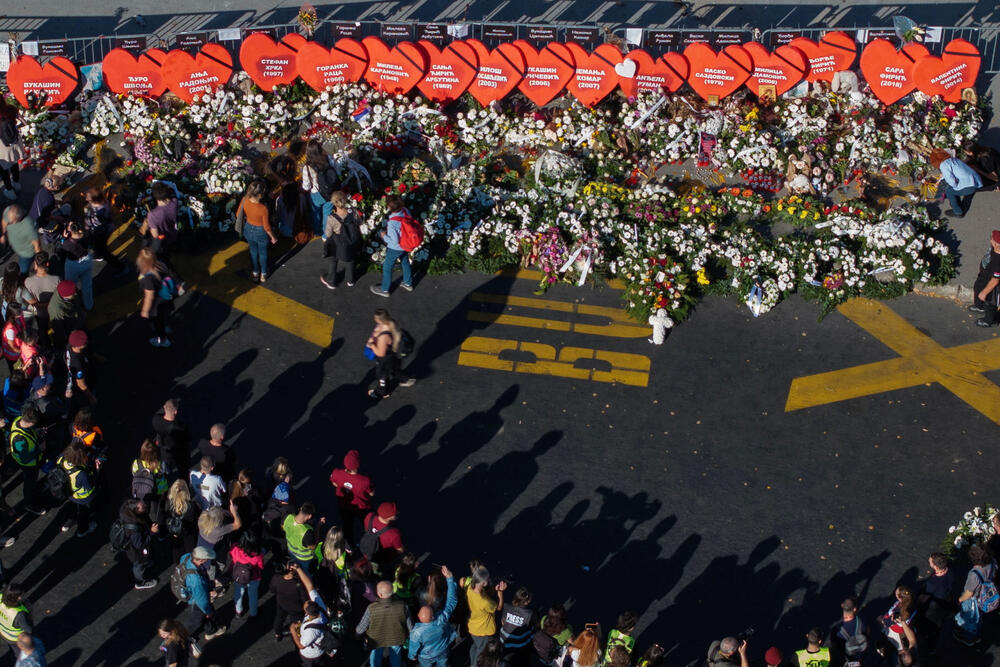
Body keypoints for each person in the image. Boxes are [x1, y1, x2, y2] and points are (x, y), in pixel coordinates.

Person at [408, 564, 457, 667]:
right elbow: (451, 601)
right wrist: (450, 579)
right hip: (442, 649)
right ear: (433, 616)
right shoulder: (441, 619)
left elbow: (413, 645)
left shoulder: (416, 632)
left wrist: (412, 655)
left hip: (426, 655)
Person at [356, 579, 413, 667]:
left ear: (380, 594)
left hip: (376, 640)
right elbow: (410, 625)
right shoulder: (403, 606)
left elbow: (362, 626)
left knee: (375, 658)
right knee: (396, 659)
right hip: (396, 638)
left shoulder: (371, 608)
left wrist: (357, 633)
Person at [177, 546, 227, 643]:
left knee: (202, 617)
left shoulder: (187, 556)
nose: (207, 560)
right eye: (206, 559)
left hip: (189, 593)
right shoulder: (196, 580)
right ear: (200, 560)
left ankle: (211, 630)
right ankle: (180, 638)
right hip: (195, 600)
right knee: (195, 621)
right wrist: (208, 612)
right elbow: (202, 600)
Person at [290, 564, 337, 666]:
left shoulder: (311, 631)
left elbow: (301, 645)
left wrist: (293, 631)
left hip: (311, 655)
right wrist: (298, 569)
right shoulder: (320, 606)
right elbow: (309, 586)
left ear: (307, 613)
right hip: (319, 649)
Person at [370, 194, 414, 297]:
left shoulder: (393, 223)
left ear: (389, 207)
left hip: (395, 248)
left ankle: (385, 289)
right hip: (406, 244)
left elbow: (394, 241)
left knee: (387, 267)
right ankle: (408, 283)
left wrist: (384, 236)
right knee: (405, 262)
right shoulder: (405, 211)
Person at [365, 309, 414, 400]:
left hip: (385, 359)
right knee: (393, 369)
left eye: (376, 318)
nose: (374, 319)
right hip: (393, 355)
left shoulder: (384, 337)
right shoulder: (392, 323)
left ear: (380, 320)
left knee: (382, 375)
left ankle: (382, 392)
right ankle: (405, 380)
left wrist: (371, 345)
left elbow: (380, 353)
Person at [236, 178, 277, 283]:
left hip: (248, 229)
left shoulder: (244, 200)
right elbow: (267, 227)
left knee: (253, 252)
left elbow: (238, 214)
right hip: (261, 232)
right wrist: (273, 237)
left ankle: (255, 272)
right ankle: (263, 274)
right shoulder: (263, 208)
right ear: (259, 194)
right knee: (263, 253)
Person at [953, 543, 996, 645]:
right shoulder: (993, 562)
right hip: (984, 595)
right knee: (978, 617)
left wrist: (960, 599)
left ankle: (970, 638)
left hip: (974, 600)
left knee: (970, 620)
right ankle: (976, 634)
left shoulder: (974, 574)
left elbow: (969, 593)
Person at [8, 404, 46, 516]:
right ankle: (29, 504)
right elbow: (25, 459)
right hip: (28, 465)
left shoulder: (19, 419)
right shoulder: (19, 439)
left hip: (29, 461)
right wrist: (39, 450)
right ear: (30, 423)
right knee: (29, 484)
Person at [329, 449, 373, 545]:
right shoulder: (365, 481)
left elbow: (334, 483)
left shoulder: (336, 472)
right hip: (361, 507)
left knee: (347, 524)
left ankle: (349, 544)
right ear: (357, 465)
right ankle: (370, 542)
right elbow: (371, 493)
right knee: (367, 524)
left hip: (344, 505)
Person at [321, 190, 362, 290]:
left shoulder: (331, 218)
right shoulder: (353, 212)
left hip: (337, 242)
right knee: (351, 259)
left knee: (333, 259)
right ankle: (350, 280)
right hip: (351, 240)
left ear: (333, 203)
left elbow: (328, 234)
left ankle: (331, 280)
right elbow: (359, 223)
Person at [136, 247, 176, 348]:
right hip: (165, 298)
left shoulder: (148, 278)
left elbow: (149, 297)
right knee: (162, 316)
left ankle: (163, 340)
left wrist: (145, 311)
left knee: (157, 322)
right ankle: (164, 327)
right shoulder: (160, 265)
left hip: (156, 304)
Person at [466, 565, 507, 666]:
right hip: (483, 631)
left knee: (475, 646)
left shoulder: (470, 589)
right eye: (487, 579)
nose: (489, 580)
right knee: (481, 651)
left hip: (473, 626)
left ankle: (472, 662)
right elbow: (499, 607)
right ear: (483, 583)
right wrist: (500, 593)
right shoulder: (485, 602)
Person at [56, 440, 97, 536]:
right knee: (83, 514)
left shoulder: (61, 458)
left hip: (69, 493)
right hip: (82, 498)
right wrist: (96, 470)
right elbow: (89, 486)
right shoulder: (81, 474)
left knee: (73, 508)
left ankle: (69, 522)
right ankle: (82, 530)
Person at [83, 187, 127, 275]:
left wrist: (87, 223)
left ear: (94, 200)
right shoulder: (104, 202)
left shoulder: (99, 213)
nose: (86, 199)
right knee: (98, 247)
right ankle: (98, 254)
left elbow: (93, 223)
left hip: (101, 232)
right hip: (107, 228)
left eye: (88, 198)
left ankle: (120, 267)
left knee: (104, 252)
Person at [930, 148, 982, 218]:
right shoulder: (953, 160)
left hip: (968, 185)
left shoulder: (943, 165)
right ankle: (962, 207)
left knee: (949, 191)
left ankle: (958, 212)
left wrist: (954, 186)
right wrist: (939, 180)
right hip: (975, 180)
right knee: (968, 196)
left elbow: (951, 181)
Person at [119, 497, 158, 589]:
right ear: (136, 510)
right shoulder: (133, 529)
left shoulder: (127, 513)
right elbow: (140, 545)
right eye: (142, 506)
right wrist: (152, 532)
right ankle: (140, 582)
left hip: (135, 545)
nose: (145, 506)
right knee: (139, 565)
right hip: (136, 553)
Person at [23, 253, 59, 347]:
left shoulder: (28, 281)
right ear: (47, 264)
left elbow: (27, 300)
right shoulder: (56, 279)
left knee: (42, 329)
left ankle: (45, 345)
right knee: (56, 328)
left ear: (35, 264)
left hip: (39, 312)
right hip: (53, 311)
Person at [302, 139, 336, 236]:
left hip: (316, 194)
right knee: (327, 214)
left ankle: (317, 231)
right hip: (330, 191)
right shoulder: (329, 159)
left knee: (315, 212)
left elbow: (306, 187)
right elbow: (336, 173)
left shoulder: (307, 167)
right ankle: (325, 235)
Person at [139, 182, 179, 264]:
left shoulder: (152, 215)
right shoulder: (174, 202)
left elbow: (155, 235)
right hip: (173, 234)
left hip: (163, 240)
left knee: (146, 241)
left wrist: (146, 223)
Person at [59, 221, 95, 311]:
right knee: (87, 286)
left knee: (71, 285)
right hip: (86, 260)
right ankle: (89, 305)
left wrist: (64, 238)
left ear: (70, 230)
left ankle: (72, 306)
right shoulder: (86, 235)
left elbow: (61, 252)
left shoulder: (67, 244)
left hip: (73, 265)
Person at [362, 502, 404, 576]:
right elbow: (400, 550)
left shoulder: (370, 516)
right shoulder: (393, 533)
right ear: (388, 517)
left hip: (365, 549)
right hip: (380, 558)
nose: (396, 512)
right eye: (394, 513)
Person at [153, 398, 191, 480]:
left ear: (164, 407)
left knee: (163, 472)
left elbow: (159, 413)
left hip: (164, 451)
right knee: (183, 471)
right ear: (175, 412)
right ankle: (184, 485)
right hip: (178, 451)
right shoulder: (179, 428)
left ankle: (163, 486)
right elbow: (187, 438)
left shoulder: (156, 420)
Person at [968, 230, 1000, 328]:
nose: (990, 240)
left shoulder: (998, 260)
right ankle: (980, 306)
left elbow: (995, 281)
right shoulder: (994, 248)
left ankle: (988, 320)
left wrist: (984, 293)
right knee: (977, 287)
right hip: (984, 277)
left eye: (992, 239)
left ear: (996, 244)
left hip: (993, 285)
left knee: (991, 303)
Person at [920, 552, 958, 633]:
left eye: (930, 562)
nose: (928, 561)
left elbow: (927, 595)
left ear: (936, 567)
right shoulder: (949, 570)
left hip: (935, 605)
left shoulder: (932, 583)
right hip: (947, 597)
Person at [230, 531, 264, 620]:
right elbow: (261, 566)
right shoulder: (257, 554)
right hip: (254, 577)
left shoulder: (235, 548)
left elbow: (232, 557)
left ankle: (238, 611)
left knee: (238, 593)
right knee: (253, 595)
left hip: (239, 575)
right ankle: (253, 613)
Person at [500, 587, 537, 667]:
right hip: (518, 645)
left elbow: (502, 622)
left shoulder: (506, 606)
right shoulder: (529, 613)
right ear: (526, 602)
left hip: (504, 640)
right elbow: (534, 626)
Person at [272, 559, 308, 641]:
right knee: (297, 623)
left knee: (279, 618)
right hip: (296, 608)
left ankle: (278, 634)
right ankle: (298, 637)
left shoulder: (276, 578)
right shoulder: (298, 583)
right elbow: (304, 598)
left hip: (281, 603)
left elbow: (272, 589)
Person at [284, 501, 324, 573]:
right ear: (309, 516)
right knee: (305, 573)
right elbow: (313, 547)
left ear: (300, 508)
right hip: (303, 559)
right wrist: (318, 527)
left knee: (293, 567)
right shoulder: (307, 532)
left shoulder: (288, 517)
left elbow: (283, 527)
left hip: (290, 551)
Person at [165, 479, 199, 562]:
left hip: (175, 534)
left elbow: (166, 517)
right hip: (188, 535)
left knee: (177, 554)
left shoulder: (169, 504)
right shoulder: (191, 506)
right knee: (189, 555)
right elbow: (195, 521)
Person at [0, 205, 39, 276]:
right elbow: (4, 221)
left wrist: (37, 262)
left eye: (12, 221)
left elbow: (37, 246)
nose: (10, 223)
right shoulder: (8, 211)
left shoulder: (29, 226)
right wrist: (4, 234)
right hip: (16, 247)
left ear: (19, 218)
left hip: (26, 254)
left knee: (23, 272)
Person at [28, 174, 69, 241]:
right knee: (66, 209)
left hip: (32, 217)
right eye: (59, 185)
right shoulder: (49, 199)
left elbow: (52, 202)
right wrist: (58, 218)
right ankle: (44, 229)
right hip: (41, 222)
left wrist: (62, 202)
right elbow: (46, 217)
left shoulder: (42, 190)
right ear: (55, 187)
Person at [830, 597, 868, 667]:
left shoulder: (837, 630)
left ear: (842, 605)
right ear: (854, 609)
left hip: (845, 661)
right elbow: (867, 634)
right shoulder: (862, 622)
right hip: (859, 658)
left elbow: (834, 648)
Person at [878, 586, 915, 657]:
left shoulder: (899, 613)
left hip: (894, 631)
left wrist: (881, 620)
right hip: (900, 628)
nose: (895, 593)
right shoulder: (910, 601)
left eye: (896, 593)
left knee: (893, 645)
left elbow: (887, 623)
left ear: (900, 598)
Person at [0, 100, 25, 201]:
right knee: (14, 163)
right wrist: (14, 129)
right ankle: (16, 184)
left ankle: (10, 191)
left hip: (2, 145)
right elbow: (24, 122)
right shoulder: (11, 108)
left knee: (4, 169)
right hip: (15, 141)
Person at [47, 280, 82, 352]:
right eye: (73, 293)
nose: (75, 293)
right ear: (65, 296)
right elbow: (58, 330)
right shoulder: (56, 310)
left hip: (71, 315)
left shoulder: (63, 290)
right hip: (67, 322)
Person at [63, 329, 93, 409]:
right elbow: (81, 384)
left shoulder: (69, 345)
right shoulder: (77, 365)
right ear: (77, 346)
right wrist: (91, 397)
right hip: (76, 383)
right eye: (84, 343)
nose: (86, 342)